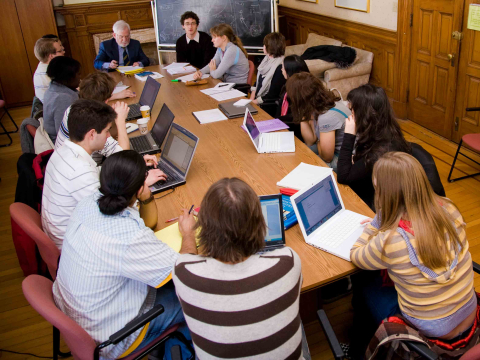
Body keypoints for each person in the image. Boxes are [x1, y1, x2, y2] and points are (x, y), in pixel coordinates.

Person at [53, 150, 195, 359]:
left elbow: (149, 224)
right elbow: (186, 268)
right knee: (196, 300)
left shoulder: (89, 202)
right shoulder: (128, 237)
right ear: (139, 188)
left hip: (82, 315)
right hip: (111, 337)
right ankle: (169, 351)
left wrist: (145, 199)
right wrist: (188, 233)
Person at [350, 152, 476, 355]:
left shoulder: (390, 240)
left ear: (385, 194)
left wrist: (376, 223)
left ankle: (359, 349)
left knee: (365, 283)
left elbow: (356, 255)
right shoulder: (449, 207)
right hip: (468, 309)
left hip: (432, 326)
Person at [172, 178, 311, 360]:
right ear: (260, 223)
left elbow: (185, 257)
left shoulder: (184, 274)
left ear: (205, 228)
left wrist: (188, 234)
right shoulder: (288, 262)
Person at [42, 99, 167, 250]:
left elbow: (99, 174)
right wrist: (139, 183)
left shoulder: (66, 151)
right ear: (92, 134)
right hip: (74, 245)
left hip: (69, 231)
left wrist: (132, 166)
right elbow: (115, 216)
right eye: (107, 131)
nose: (109, 136)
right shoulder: (79, 171)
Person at [336, 84, 444, 211]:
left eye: (352, 109)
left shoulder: (379, 153)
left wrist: (349, 135)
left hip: (384, 206)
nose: (351, 114)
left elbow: (343, 177)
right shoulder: (389, 132)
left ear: (363, 113)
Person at [55, 72, 135, 164]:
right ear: (106, 100)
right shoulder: (94, 123)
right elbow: (124, 157)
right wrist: (120, 120)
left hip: (64, 162)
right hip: (87, 170)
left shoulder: (73, 108)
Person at [286, 72, 351, 171]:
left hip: (345, 158)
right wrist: (302, 113)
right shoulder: (319, 104)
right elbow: (310, 141)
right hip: (336, 151)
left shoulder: (327, 116)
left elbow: (327, 157)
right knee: (298, 151)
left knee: (299, 165)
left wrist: (320, 142)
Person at [250, 32, 286, 105]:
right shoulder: (266, 60)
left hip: (267, 105)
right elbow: (257, 83)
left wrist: (254, 102)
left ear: (271, 47)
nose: (263, 47)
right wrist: (251, 99)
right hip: (257, 101)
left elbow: (273, 94)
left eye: (264, 45)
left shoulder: (280, 67)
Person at [33, 36, 65, 103]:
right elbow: (62, 97)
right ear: (51, 56)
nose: (63, 52)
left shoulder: (45, 66)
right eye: (60, 51)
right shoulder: (46, 73)